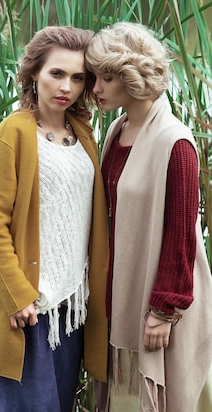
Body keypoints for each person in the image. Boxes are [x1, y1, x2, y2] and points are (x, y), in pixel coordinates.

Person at [0, 26, 109, 412]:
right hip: (29, 308)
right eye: (57, 74)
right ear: (34, 73)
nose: (67, 86)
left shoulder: (83, 133)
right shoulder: (12, 134)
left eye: (78, 78)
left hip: (72, 308)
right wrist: (18, 297)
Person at [85, 21, 212, 412]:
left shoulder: (175, 142)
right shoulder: (117, 131)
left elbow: (182, 235)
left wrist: (163, 309)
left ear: (131, 76)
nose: (96, 89)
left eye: (106, 78)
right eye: (94, 77)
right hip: (119, 292)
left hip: (159, 304)